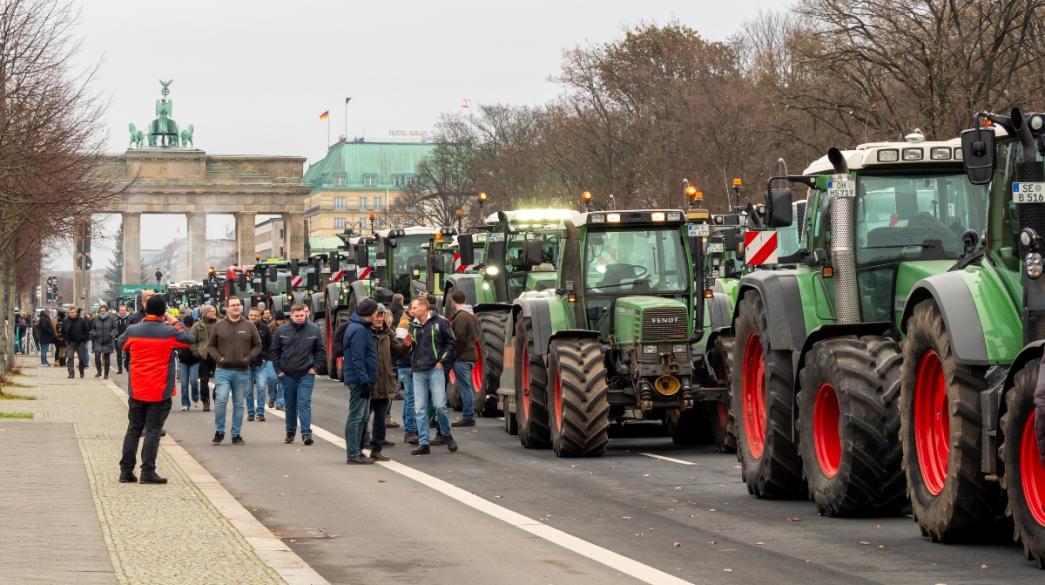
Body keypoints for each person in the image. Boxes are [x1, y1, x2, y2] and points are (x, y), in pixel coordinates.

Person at [117, 295, 194, 484]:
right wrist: (175, 321)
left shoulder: (133, 330)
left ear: (146, 310)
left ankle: (126, 471)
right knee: (153, 431)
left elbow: (120, 344)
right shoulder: (169, 332)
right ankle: (147, 471)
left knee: (133, 429)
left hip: (137, 388)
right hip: (159, 390)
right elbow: (189, 339)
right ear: (163, 312)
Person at [405, 296, 458, 455]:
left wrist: (442, 362)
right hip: (418, 371)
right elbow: (412, 348)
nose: (411, 311)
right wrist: (407, 346)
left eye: (414, 308)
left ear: (424, 308)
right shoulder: (412, 326)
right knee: (420, 408)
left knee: (439, 405)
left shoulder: (440, 323)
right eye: (411, 308)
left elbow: (452, 342)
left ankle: (446, 434)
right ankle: (424, 443)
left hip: (435, 369)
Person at [207, 297, 260, 445]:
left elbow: (257, 345)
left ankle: (236, 434)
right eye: (233, 305)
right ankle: (219, 431)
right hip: (223, 370)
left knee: (239, 404)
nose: (236, 307)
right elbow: (210, 346)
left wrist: (248, 358)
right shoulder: (219, 326)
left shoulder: (249, 325)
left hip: (242, 371)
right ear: (227, 308)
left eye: (238, 305)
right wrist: (220, 359)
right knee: (221, 400)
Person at [271, 304, 326, 445]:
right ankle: (290, 432)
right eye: (297, 316)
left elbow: (320, 350)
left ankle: (306, 434)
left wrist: (315, 368)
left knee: (304, 403)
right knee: (290, 404)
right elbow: (275, 352)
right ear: (291, 316)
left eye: (302, 315)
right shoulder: (281, 330)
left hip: (306, 374)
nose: (300, 318)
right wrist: (279, 371)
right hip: (287, 374)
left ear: (306, 314)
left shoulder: (313, 329)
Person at [367, 304, 409, 461]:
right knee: (363, 417)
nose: (379, 319)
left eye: (381, 316)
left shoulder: (388, 333)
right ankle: (360, 444)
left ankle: (377, 449)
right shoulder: (364, 332)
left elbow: (397, 351)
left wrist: (405, 346)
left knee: (380, 418)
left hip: (385, 382)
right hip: (368, 383)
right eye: (377, 315)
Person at [343, 299, 378, 463]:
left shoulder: (359, 327)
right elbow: (358, 358)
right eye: (376, 312)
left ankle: (357, 451)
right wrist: (364, 380)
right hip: (359, 379)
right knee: (356, 416)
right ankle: (353, 454)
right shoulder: (359, 330)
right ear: (370, 313)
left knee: (362, 416)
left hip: (361, 378)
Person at [448, 290, 480, 427]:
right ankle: (468, 416)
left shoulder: (460, 317)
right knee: (466, 387)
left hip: (462, 357)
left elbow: (459, 338)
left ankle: (468, 417)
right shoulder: (471, 316)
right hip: (469, 355)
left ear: (453, 301)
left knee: (465, 388)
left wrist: (454, 354)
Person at [246, 307, 274, 421]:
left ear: (260, 316)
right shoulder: (243, 327)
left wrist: (265, 358)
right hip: (246, 364)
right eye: (251, 315)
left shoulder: (265, 328)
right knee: (248, 390)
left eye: (255, 315)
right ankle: (251, 413)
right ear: (248, 315)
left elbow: (270, 345)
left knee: (261, 388)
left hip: (260, 363)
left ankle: (261, 412)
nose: (253, 317)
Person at [191, 305, 218, 411]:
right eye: (211, 311)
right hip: (204, 356)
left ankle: (216, 398)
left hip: (217, 356)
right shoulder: (197, 325)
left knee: (219, 380)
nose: (214, 313)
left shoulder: (220, 323)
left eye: (215, 311)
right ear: (205, 313)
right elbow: (191, 340)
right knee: (204, 380)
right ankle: (205, 401)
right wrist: (196, 352)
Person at [177, 315, 200, 412]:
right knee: (183, 383)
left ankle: (195, 397)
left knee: (194, 381)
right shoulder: (181, 330)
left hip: (195, 359)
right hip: (183, 360)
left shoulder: (197, 329)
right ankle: (185, 403)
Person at [90, 305, 118, 379]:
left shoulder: (111, 319)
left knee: (106, 357)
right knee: (97, 356)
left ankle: (106, 374)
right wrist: (94, 334)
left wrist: (111, 335)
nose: (102, 312)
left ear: (106, 311)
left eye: (103, 310)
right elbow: (92, 328)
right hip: (97, 340)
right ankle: (99, 372)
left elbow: (115, 328)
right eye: (101, 310)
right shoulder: (95, 319)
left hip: (108, 340)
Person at [62, 307, 90, 379]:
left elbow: (87, 331)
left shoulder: (82, 321)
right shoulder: (66, 321)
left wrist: (84, 340)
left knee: (81, 358)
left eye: (73, 312)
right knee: (70, 357)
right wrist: (66, 339)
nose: (71, 314)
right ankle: (71, 373)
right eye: (70, 313)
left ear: (76, 313)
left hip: (80, 343)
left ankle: (81, 371)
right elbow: (63, 331)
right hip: (70, 343)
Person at [115, 305, 130, 374]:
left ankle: (127, 366)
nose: (122, 312)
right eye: (121, 310)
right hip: (117, 339)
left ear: (126, 310)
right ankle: (120, 369)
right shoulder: (115, 319)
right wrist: (114, 336)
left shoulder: (129, 318)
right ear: (119, 311)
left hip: (127, 339)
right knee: (118, 354)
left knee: (128, 354)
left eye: (123, 310)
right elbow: (113, 328)